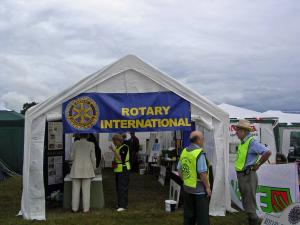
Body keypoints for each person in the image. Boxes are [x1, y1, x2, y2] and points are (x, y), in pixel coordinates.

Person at [234, 119, 272, 225]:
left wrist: (258, 164)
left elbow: (267, 152)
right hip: (244, 175)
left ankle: (253, 221)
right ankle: (251, 220)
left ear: (244, 131)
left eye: (238, 130)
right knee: (247, 200)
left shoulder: (251, 142)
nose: (236, 132)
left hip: (248, 176)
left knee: (249, 201)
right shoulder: (244, 142)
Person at [178, 131, 211, 225]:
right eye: (202, 139)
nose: (203, 141)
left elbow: (179, 170)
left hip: (187, 189)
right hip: (199, 191)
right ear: (198, 140)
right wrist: (208, 188)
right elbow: (202, 174)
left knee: (189, 216)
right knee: (202, 218)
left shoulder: (184, 151)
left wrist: (185, 180)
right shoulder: (199, 153)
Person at [70, 133, 96, 213]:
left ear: (78, 135)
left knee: (75, 190)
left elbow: (71, 157)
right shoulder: (91, 144)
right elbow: (93, 158)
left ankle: (74, 209)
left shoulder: (74, 144)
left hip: (76, 169)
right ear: (87, 136)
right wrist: (94, 168)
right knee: (86, 191)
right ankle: (86, 209)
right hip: (87, 169)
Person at [110, 134, 130, 212]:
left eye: (114, 141)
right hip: (118, 170)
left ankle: (123, 205)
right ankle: (120, 203)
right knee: (119, 188)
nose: (114, 143)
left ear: (119, 140)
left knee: (122, 187)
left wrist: (114, 151)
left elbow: (121, 159)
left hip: (124, 170)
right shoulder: (118, 147)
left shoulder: (124, 147)